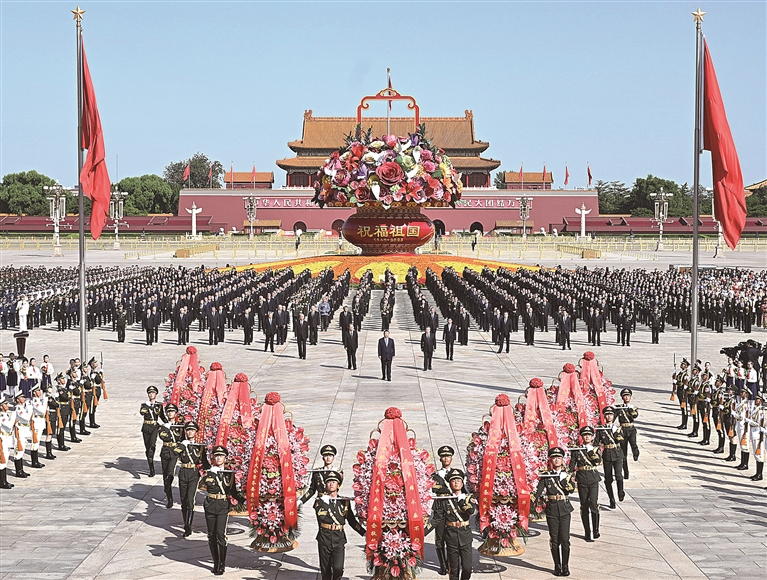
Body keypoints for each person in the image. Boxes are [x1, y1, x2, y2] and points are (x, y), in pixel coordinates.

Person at [312, 470, 365, 580]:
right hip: (325, 537)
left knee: (338, 568)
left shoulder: (344, 501)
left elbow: (352, 521)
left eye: (334, 482)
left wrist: (364, 533)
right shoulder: (320, 501)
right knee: (325, 570)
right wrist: (325, 503)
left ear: (338, 485)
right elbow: (320, 517)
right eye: (329, 482)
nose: (331, 484)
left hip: (339, 538)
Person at [533, 447, 575, 576]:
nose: (557, 460)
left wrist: (563, 479)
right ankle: (557, 565)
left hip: (564, 508)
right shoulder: (546, 476)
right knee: (555, 539)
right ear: (550, 460)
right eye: (554, 458)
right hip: (552, 510)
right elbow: (538, 492)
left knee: (565, 539)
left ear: (562, 460)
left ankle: (565, 566)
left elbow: (571, 489)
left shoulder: (567, 474)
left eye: (559, 458)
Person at [201, 445, 242, 576]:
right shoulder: (209, 472)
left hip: (223, 506)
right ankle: (215, 562)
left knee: (220, 535)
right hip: (210, 504)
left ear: (225, 458)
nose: (218, 458)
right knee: (211, 535)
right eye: (216, 456)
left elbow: (233, 492)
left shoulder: (229, 474)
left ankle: (222, 564)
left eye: (221, 456)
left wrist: (244, 501)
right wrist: (210, 474)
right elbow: (202, 485)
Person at [174, 421, 210, 537]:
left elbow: (205, 462)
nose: (190, 432)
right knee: (183, 500)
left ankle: (188, 526)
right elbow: (174, 454)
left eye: (192, 430)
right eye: (188, 430)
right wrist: (182, 445)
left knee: (190, 500)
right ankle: (186, 522)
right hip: (183, 472)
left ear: (196, 432)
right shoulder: (182, 444)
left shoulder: (199, 447)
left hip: (194, 474)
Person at [569, 427, 602, 542]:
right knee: (584, 506)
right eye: (585, 435)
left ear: (592, 437)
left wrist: (590, 451)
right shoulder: (577, 450)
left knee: (594, 503)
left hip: (593, 478)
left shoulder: (595, 448)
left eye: (589, 435)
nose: (587, 437)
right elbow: (572, 466)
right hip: (582, 479)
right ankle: (587, 532)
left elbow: (597, 461)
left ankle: (596, 530)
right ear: (582, 437)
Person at [430, 446, 454, 575]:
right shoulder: (435, 476)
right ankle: (442, 565)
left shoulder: (457, 474)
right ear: (440, 459)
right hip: (439, 508)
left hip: (452, 508)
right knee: (439, 538)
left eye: (448, 456)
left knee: (451, 537)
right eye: (443, 456)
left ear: (451, 458)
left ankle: (451, 564)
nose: (446, 459)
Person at [595, 406, 625, 508]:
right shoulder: (601, 429)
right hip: (607, 454)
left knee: (618, 475)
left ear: (613, 416)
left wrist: (615, 431)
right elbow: (596, 443)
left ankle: (620, 491)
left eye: (611, 415)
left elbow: (621, 439)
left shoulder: (617, 428)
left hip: (617, 453)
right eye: (607, 415)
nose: (609, 416)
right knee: (608, 479)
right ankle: (611, 499)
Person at [158, 403, 184, 508]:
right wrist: (167, 429)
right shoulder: (163, 426)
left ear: (176, 413)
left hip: (174, 452)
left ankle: (168, 486)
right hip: (165, 451)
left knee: (170, 473)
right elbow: (163, 437)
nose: (170, 413)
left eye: (172, 411)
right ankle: (169, 497)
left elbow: (182, 439)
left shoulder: (180, 426)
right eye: (168, 412)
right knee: (165, 475)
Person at [140, 386, 163, 477]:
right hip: (146, 427)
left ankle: (152, 468)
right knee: (147, 447)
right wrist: (146, 407)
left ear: (156, 394)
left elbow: (162, 416)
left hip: (154, 427)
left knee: (152, 445)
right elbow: (142, 412)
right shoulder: (144, 405)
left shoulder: (159, 405)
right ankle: (151, 466)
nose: (151, 394)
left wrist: (169, 424)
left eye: (153, 393)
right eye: (150, 393)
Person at [616, 388, 639, 479]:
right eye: (625, 396)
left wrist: (630, 409)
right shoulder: (619, 408)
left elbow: (635, 415)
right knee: (623, 453)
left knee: (633, 445)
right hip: (623, 430)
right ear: (622, 397)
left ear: (630, 397)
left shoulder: (633, 407)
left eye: (628, 396)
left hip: (631, 429)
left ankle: (636, 453)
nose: (626, 397)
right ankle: (626, 472)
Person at [748, 393, 765, 481]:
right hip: (754, 433)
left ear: (761, 401)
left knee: (759, 455)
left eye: (757, 400)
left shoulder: (761, 411)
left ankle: (759, 474)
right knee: (756, 454)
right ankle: (757, 473)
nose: (756, 401)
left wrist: (749, 421)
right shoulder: (756, 409)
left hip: (757, 434)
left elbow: (759, 423)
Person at [0, 395, 15, 488]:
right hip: (3, 439)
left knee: (5, 460)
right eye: (5, 404)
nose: (7, 406)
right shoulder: (2, 416)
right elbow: (9, 425)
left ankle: (4, 481)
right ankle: (2, 482)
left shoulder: (6, 415)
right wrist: (14, 416)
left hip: (8, 438)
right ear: (1, 406)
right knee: (2, 460)